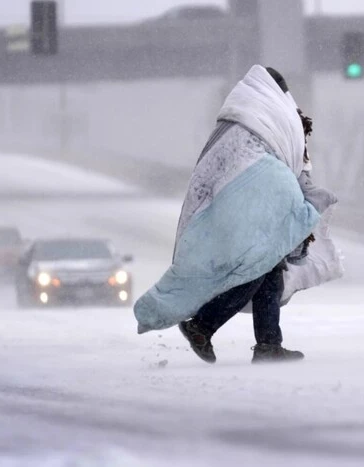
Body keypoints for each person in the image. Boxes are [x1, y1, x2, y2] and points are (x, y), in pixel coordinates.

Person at [134, 65, 341, 363]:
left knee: (269, 268)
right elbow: (291, 164)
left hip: (230, 205)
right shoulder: (276, 118)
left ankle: (268, 343)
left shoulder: (236, 121)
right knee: (257, 266)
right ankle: (202, 325)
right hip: (249, 204)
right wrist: (304, 204)